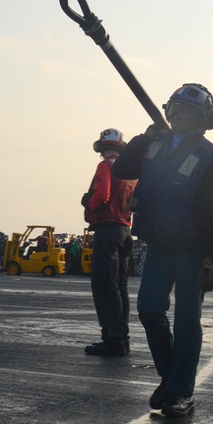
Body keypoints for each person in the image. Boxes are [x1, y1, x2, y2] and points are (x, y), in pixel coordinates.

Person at [113, 84, 213, 417]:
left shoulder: (209, 157)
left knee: (187, 320)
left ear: (205, 119)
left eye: (186, 111)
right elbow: (123, 170)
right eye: (173, 109)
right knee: (149, 308)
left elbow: (212, 212)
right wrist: (144, 138)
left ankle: (181, 392)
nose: (177, 116)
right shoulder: (154, 145)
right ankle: (170, 378)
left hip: (192, 248)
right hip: (160, 243)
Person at [81, 128, 137, 357]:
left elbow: (101, 196)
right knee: (120, 286)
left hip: (108, 230)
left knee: (104, 285)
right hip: (125, 231)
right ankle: (122, 338)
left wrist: (88, 202)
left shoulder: (106, 166)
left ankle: (113, 340)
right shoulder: (133, 172)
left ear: (102, 147)